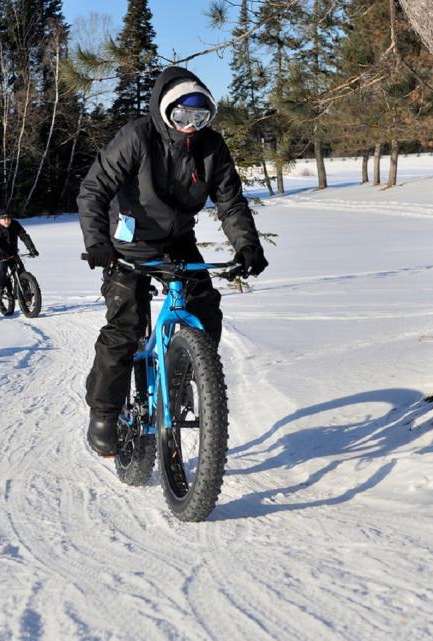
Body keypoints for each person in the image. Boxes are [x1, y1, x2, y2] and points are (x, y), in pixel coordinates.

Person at [77, 66, 269, 456]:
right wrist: (98, 242)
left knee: (204, 309)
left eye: (199, 118)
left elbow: (230, 202)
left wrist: (247, 246)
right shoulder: (137, 137)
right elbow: (94, 190)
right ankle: (104, 411)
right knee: (125, 327)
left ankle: (183, 375)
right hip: (128, 245)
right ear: (166, 111)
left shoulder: (211, 147)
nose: (190, 126)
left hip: (177, 241)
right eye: (182, 117)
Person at [0, 210, 39, 297]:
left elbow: (24, 236)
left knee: (21, 272)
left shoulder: (15, 224)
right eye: (4, 219)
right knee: (1, 270)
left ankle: (27, 296)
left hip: (13, 253)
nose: (7, 221)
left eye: (8, 219)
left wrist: (32, 249)